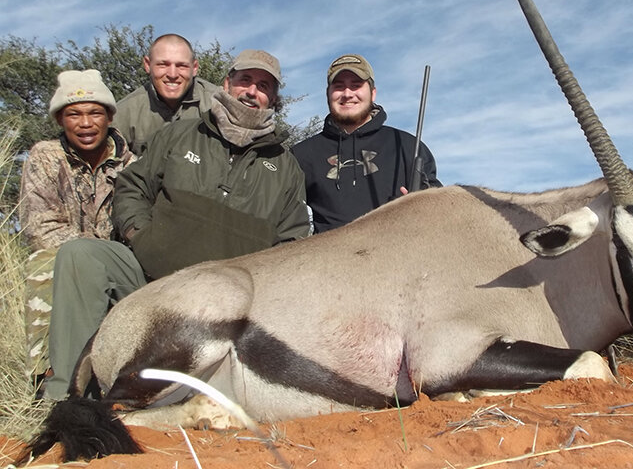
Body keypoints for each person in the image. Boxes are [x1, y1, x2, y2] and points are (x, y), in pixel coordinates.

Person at [44, 49, 310, 399]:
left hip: (225, 312)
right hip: (149, 281)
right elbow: (132, 187)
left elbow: (292, 244)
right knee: (81, 256)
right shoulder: (179, 135)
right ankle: (66, 399)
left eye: (264, 86)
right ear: (227, 83)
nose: (252, 91)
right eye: (245, 80)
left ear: (273, 98)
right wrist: (139, 234)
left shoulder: (286, 167)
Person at [19, 69, 135, 385]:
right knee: (43, 265)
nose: (85, 123)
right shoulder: (45, 156)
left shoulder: (132, 164)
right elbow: (41, 229)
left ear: (110, 116)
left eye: (95, 113)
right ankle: (48, 375)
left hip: (116, 261)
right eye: (74, 114)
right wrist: (89, 252)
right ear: (60, 120)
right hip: (64, 257)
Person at [292, 53, 441, 233]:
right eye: (339, 87)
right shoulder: (301, 155)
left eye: (356, 85)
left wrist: (424, 206)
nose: (347, 94)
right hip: (328, 259)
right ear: (328, 93)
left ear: (373, 93)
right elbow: (285, 219)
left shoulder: (408, 146)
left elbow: (441, 211)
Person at [112, 33, 219, 155]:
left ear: (194, 68)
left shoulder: (217, 104)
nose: (172, 74)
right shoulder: (124, 113)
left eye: (181, 66)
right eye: (163, 65)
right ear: (147, 65)